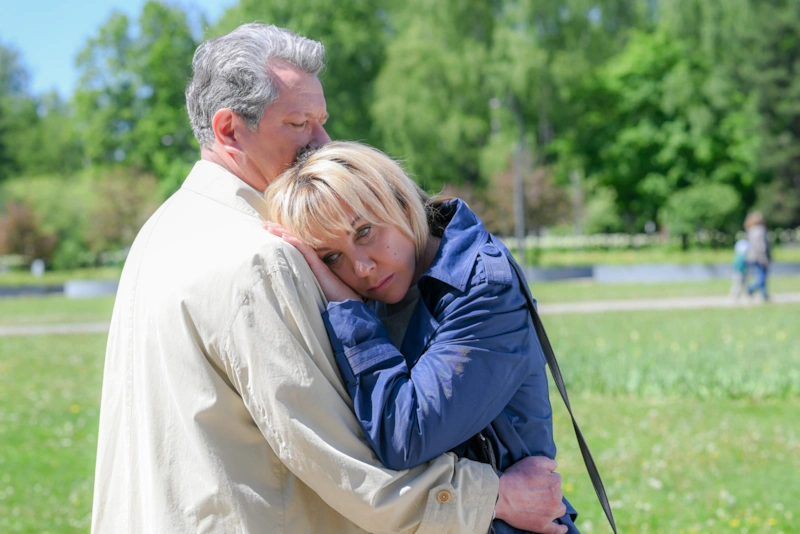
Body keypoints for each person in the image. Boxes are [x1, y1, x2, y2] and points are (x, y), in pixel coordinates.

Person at [91, 23, 569, 534]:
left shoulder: (162, 232)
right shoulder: (259, 257)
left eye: (321, 122)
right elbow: (340, 455)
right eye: (299, 124)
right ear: (229, 129)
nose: (322, 142)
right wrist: (492, 497)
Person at [264, 141, 580, 534]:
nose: (361, 267)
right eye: (331, 257)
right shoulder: (378, 288)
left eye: (364, 232)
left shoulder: (482, 287)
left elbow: (406, 434)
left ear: (398, 199)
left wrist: (346, 307)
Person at [744, 211, 770, 302]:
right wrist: (764, 258)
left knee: (761, 275)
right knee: (762, 277)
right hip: (760, 257)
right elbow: (761, 246)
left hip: (751, 257)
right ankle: (750, 289)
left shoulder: (750, 230)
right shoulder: (760, 230)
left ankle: (765, 296)